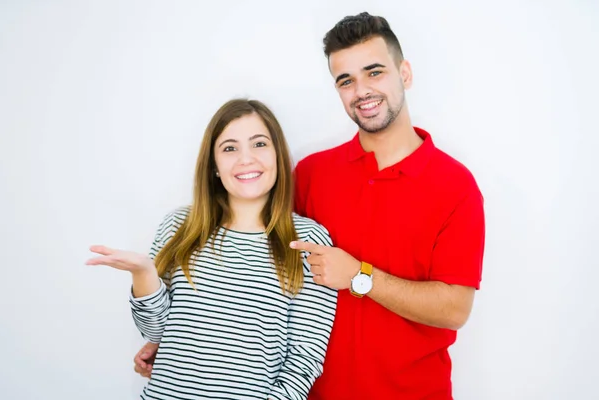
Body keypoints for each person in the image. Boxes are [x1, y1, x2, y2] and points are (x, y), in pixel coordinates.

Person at [134, 11, 486, 400]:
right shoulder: (313, 174)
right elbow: (258, 275)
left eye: (374, 72)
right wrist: (177, 345)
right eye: (346, 81)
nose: (362, 90)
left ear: (404, 73)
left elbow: (455, 309)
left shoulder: (455, 186)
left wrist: (358, 276)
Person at [87, 99, 337, 400]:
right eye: (229, 148)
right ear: (214, 166)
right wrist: (144, 273)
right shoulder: (179, 225)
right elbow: (156, 334)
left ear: (278, 155)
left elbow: (304, 358)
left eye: (259, 144)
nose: (245, 159)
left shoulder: (308, 238)